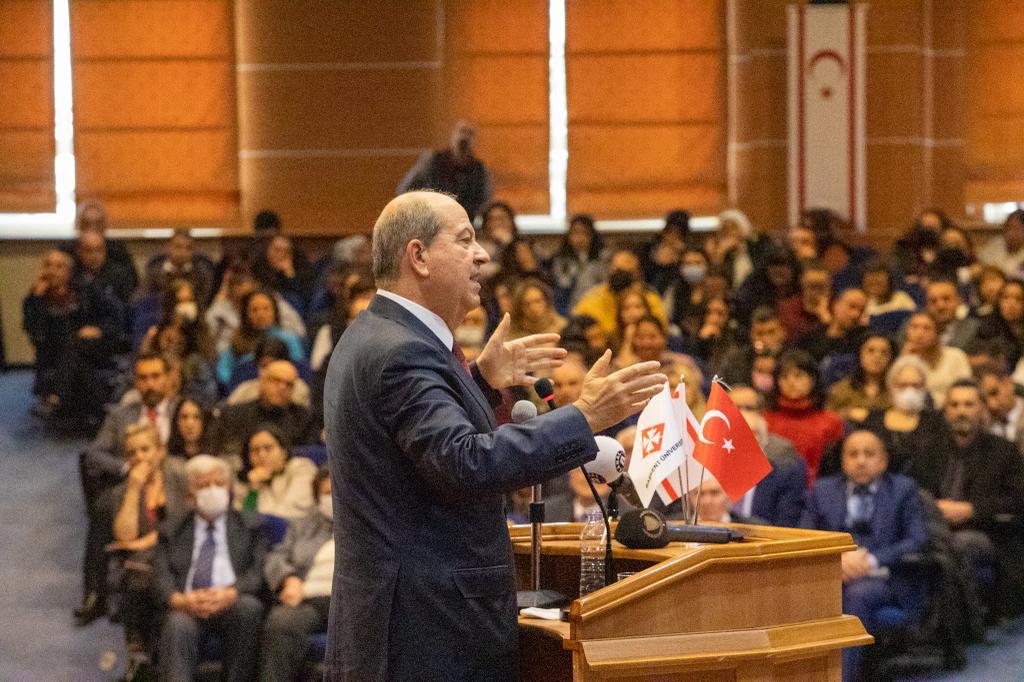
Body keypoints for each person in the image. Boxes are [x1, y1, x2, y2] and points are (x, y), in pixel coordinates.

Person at [323, 190, 666, 679]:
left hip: (403, 620)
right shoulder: (403, 352)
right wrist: (585, 416)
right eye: (465, 240)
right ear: (418, 256)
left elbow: (416, 452)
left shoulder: (376, 332)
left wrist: (480, 382)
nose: (482, 254)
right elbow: (466, 464)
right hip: (427, 632)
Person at [801, 430, 928, 681]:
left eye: (869, 454)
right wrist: (836, 561)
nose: (860, 461)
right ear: (843, 461)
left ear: (883, 461)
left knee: (857, 595)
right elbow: (804, 536)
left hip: (884, 577)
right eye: (853, 454)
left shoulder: (903, 490)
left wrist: (870, 561)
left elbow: (917, 540)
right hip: (832, 574)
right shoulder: (822, 491)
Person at [78, 354, 180, 624]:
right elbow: (94, 454)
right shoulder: (120, 415)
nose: (150, 384)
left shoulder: (183, 410)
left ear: (169, 378)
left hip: (172, 482)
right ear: (136, 382)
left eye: (156, 377)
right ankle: (95, 593)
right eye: (143, 378)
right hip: (130, 484)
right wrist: (128, 467)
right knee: (103, 507)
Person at [905, 380, 1024, 610]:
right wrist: (934, 508)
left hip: (985, 531)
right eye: (955, 405)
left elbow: (1017, 499)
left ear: (982, 408)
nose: (961, 411)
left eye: (969, 404)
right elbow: (911, 492)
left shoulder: (1003, 451)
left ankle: (961, 617)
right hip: (932, 528)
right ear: (946, 411)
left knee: (959, 544)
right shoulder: (928, 450)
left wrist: (972, 509)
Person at [154, 455, 266, 682]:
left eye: (219, 483)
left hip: (232, 601)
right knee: (177, 624)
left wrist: (231, 593)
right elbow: (160, 575)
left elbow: (257, 573)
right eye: (204, 485)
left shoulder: (250, 526)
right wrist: (179, 600)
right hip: (188, 605)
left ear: (229, 489)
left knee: (249, 607)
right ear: (189, 495)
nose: (212, 490)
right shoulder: (171, 530)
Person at [108, 423, 189, 659]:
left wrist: (143, 543)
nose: (139, 457)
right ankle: (140, 649)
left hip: (180, 555)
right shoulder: (121, 492)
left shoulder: (180, 478)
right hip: (143, 566)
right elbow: (125, 536)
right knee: (139, 576)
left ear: (160, 451)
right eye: (132, 452)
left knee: (148, 571)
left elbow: (183, 528)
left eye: (145, 449)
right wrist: (134, 488)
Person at [22, 249, 124, 421]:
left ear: (69, 271)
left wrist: (99, 329)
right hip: (56, 352)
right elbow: (36, 334)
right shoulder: (34, 299)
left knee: (75, 344)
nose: (52, 271)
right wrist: (37, 299)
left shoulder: (87, 290)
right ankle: (97, 411)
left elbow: (113, 318)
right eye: (48, 265)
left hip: (92, 346)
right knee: (78, 361)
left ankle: (57, 396)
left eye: (59, 266)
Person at [261, 467, 335, 680]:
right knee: (281, 621)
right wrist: (289, 580)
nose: (334, 498)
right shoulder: (301, 526)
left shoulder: (368, 525)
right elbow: (277, 557)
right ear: (317, 498)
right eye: (327, 493)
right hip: (308, 598)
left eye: (339, 491)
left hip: (355, 602)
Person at [729, 386, 807, 527]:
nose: (746, 440)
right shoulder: (709, 472)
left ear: (764, 440)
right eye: (738, 432)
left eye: (753, 434)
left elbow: (785, 527)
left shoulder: (784, 475)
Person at [764, 349, 844, 485]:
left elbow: (835, 468)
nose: (791, 382)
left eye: (798, 376)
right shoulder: (765, 420)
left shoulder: (831, 422)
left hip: (817, 490)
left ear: (813, 380)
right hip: (772, 489)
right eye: (784, 377)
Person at [212, 359, 315, 461]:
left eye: (289, 384)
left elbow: (307, 454)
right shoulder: (235, 415)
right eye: (276, 380)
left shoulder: (304, 418)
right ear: (262, 382)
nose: (282, 387)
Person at [397, 120, 493, 220]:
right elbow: (405, 188)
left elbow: (485, 203)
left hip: (462, 222)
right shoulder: (432, 160)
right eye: (462, 131)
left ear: (476, 141)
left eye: (470, 133)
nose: (464, 137)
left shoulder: (481, 170)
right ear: (453, 135)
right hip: (433, 220)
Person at [216, 290, 306, 389]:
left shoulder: (290, 339)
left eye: (266, 308)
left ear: (275, 312)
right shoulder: (237, 341)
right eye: (254, 310)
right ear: (246, 314)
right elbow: (223, 372)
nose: (260, 314)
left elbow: (298, 369)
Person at [573, 248, 668, 336]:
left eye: (626, 270)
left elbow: (661, 332)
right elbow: (577, 325)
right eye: (616, 269)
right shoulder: (594, 297)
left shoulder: (650, 299)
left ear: (637, 273)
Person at [235, 425, 317, 520]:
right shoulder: (246, 482)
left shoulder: (302, 468)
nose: (261, 454)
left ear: (283, 451)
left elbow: (291, 511)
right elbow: (244, 520)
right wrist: (253, 490)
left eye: (268, 448)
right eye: (255, 450)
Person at [900, 311, 972, 408]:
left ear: (937, 333)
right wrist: (905, 360)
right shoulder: (904, 359)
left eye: (927, 328)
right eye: (914, 327)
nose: (919, 334)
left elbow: (965, 390)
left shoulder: (956, 356)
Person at [827, 334, 895, 423]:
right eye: (870, 351)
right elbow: (827, 419)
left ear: (890, 358)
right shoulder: (840, 389)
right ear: (859, 355)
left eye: (884, 352)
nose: (877, 356)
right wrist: (848, 413)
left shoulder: (896, 391)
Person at [548, 213, 606, 315]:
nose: (580, 238)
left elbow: (604, 287)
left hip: (596, 309)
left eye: (584, 233)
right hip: (569, 311)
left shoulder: (602, 260)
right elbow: (561, 288)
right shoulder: (560, 260)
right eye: (575, 233)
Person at [143, 228, 216, 306]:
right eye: (178, 247)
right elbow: (144, 299)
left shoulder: (201, 274)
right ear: (168, 247)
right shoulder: (154, 273)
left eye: (188, 248)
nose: (182, 253)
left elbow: (206, 301)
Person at [978, 362, 1024, 455]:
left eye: (994, 393)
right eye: (984, 399)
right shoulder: (982, 427)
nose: (991, 404)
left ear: (1009, 384)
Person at [978, 209, 1024, 276]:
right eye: (1008, 228)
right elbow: (980, 265)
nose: (1011, 233)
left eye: (1017, 229)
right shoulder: (995, 245)